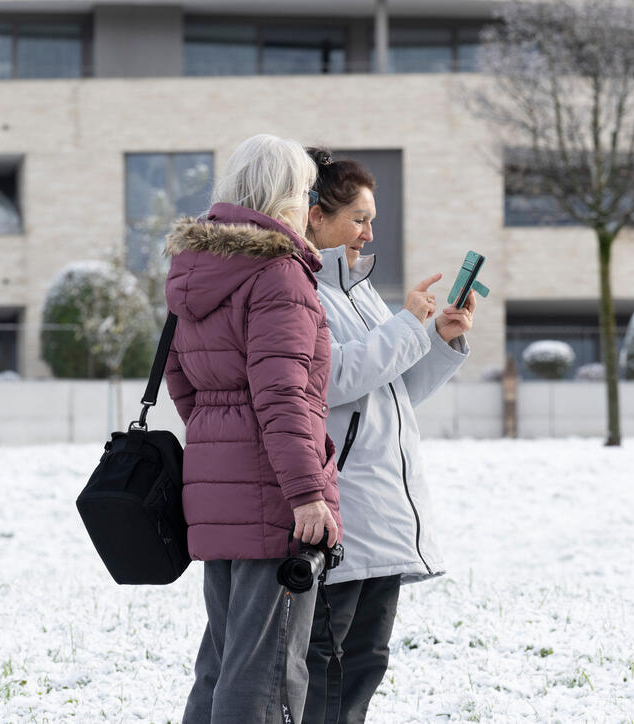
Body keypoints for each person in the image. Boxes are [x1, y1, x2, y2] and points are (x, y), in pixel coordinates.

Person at [163, 134, 342, 724]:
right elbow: (284, 395)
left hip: (217, 491)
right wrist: (307, 493)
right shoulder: (277, 275)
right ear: (287, 194)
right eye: (306, 190)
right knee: (263, 672)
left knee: (221, 660)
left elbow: (180, 378)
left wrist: (223, 449)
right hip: (274, 497)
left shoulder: (196, 270)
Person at [302, 147, 475, 724]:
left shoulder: (361, 291)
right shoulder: (304, 295)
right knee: (326, 664)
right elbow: (334, 380)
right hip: (342, 506)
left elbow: (390, 394)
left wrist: (440, 338)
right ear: (314, 216)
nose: (369, 233)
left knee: (366, 662)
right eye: (358, 219)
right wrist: (407, 325)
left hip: (384, 511)